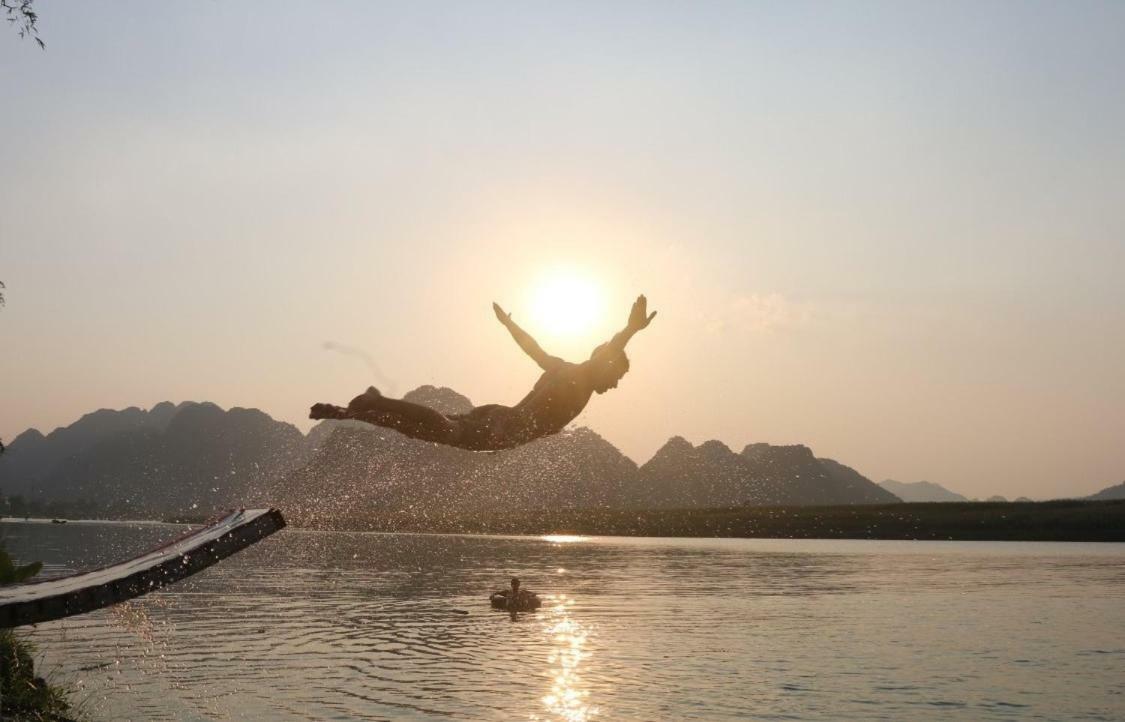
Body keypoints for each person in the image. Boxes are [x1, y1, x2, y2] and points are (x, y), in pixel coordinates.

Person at [310, 294, 656, 451]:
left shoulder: (561, 367)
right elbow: (607, 352)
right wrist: (631, 331)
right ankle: (377, 400)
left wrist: (510, 324)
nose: (614, 386)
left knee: (426, 430)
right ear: (606, 364)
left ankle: (352, 412)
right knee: (441, 429)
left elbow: (530, 346)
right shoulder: (580, 380)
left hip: (499, 417)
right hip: (503, 430)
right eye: (616, 378)